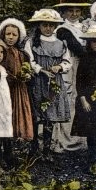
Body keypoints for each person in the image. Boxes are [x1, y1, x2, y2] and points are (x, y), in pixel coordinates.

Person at [24, 9, 71, 159]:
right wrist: (41, 70)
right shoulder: (31, 42)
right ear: (39, 26)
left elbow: (67, 61)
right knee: (37, 114)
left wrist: (59, 67)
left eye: (51, 25)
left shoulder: (60, 43)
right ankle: (33, 148)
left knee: (50, 116)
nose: (48, 28)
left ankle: (46, 150)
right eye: (45, 25)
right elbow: (29, 61)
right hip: (37, 82)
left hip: (54, 83)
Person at [53, 0, 90, 152]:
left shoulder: (85, 26)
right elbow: (78, 49)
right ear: (64, 12)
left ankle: (83, 139)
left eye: (77, 11)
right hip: (71, 64)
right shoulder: (62, 29)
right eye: (70, 11)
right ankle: (67, 140)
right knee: (69, 99)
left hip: (86, 65)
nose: (74, 14)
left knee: (85, 98)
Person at [72, 26, 96, 169]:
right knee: (91, 132)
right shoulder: (85, 59)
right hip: (88, 99)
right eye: (94, 41)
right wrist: (82, 99)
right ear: (89, 43)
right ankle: (93, 160)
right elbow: (79, 81)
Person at [0, 18, 34, 142]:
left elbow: (27, 68)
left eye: (14, 34)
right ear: (3, 34)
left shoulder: (22, 53)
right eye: (8, 34)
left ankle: (17, 138)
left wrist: (27, 75)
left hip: (19, 89)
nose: (11, 37)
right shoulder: (0, 51)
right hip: (5, 88)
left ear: (19, 36)